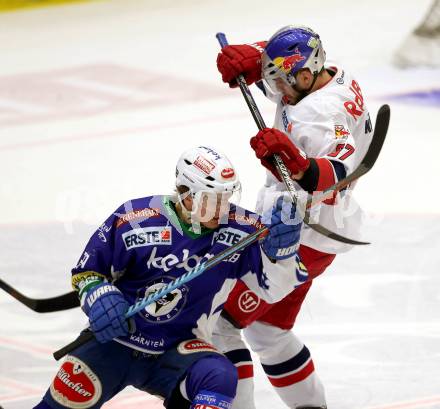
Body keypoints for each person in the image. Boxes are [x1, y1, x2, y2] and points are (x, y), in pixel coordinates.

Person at [33, 145, 305, 409]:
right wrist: (100, 298)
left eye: (226, 197)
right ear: (186, 194)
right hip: (115, 344)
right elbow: (88, 272)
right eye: (213, 199)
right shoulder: (135, 219)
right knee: (63, 400)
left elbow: (273, 290)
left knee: (219, 376)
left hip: (177, 350)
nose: (222, 209)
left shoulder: (243, 230)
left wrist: (281, 253)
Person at [213, 26, 374, 408]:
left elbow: (336, 173)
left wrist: (300, 166)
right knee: (269, 331)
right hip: (311, 231)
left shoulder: (318, 111)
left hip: (298, 238)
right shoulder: (327, 74)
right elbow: (291, 52)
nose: (277, 92)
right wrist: (256, 56)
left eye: (282, 82)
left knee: (220, 325)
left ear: (304, 76)